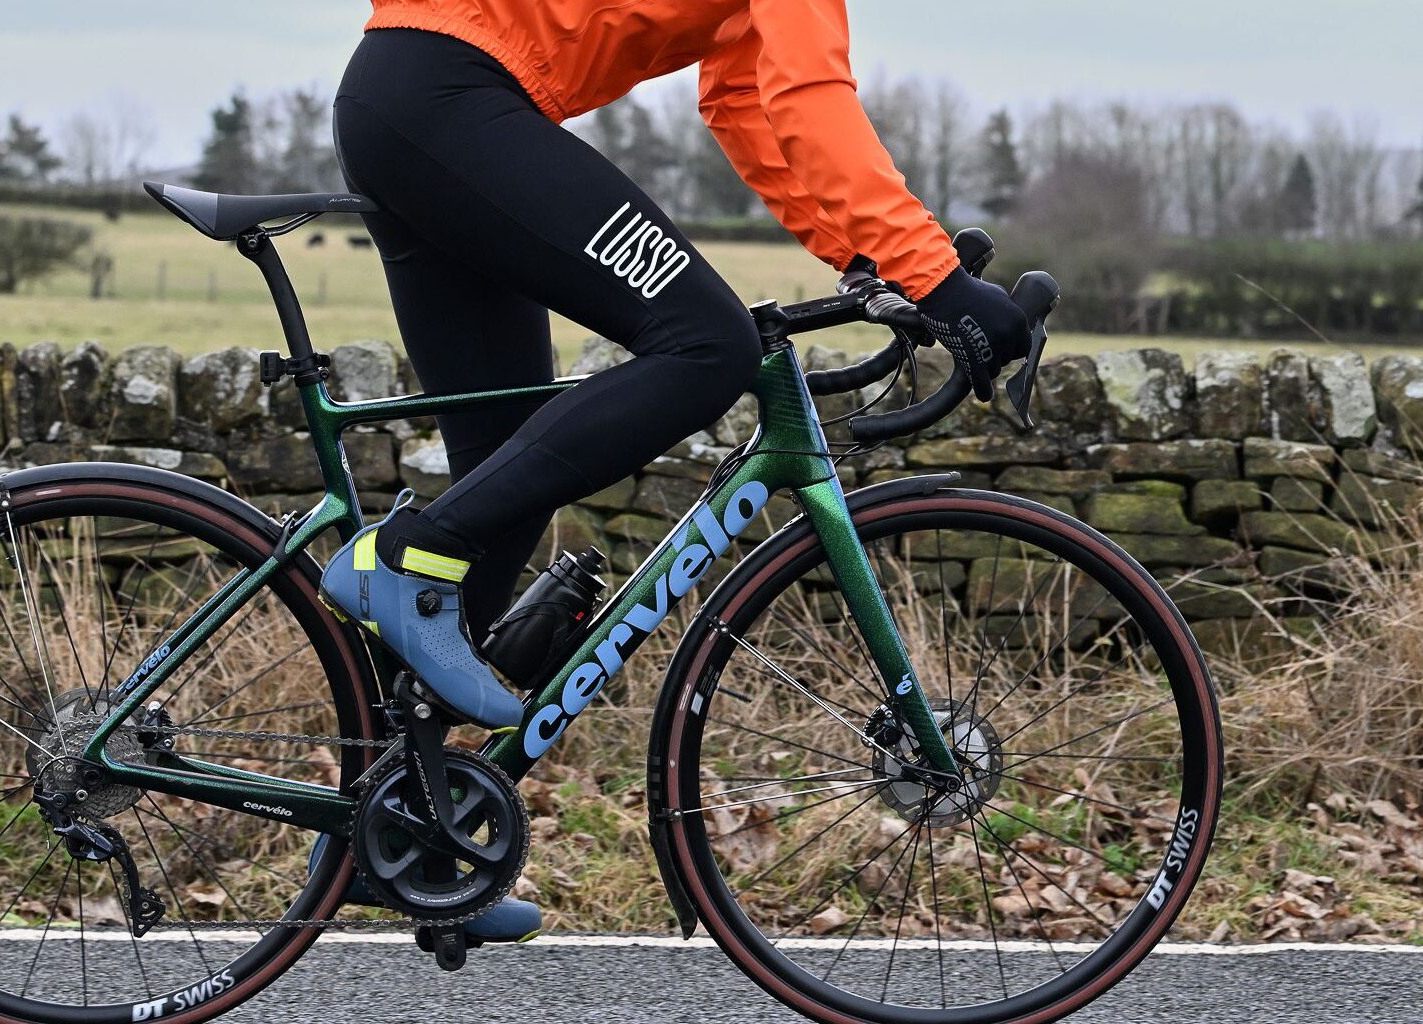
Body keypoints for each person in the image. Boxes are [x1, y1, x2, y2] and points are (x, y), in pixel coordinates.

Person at [317, 0, 1034, 943]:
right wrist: (938, 280)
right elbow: (810, 93)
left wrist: (866, 257)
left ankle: (403, 837)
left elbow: (745, 96)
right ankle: (408, 555)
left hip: (417, 97)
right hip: (451, 91)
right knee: (707, 342)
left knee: (505, 471)